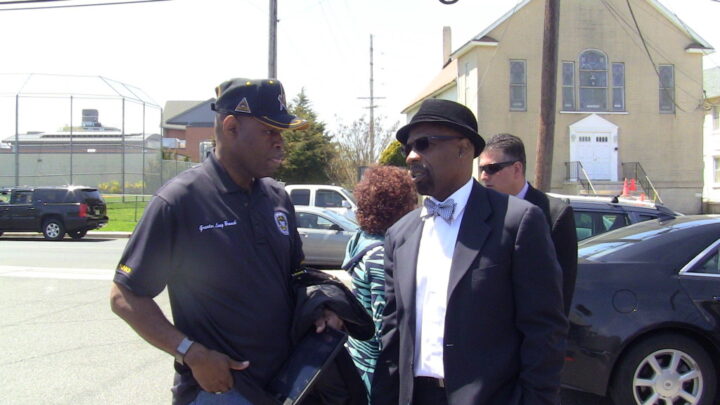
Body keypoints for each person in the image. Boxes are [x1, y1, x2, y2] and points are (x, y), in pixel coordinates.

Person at [109, 78, 343, 405]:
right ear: (231, 127)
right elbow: (125, 296)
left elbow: (295, 277)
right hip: (220, 391)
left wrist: (322, 308)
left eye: (282, 133)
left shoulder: (277, 198)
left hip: (287, 385)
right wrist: (191, 353)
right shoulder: (180, 201)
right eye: (269, 131)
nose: (280, 143)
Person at [370, 99, 567, 405]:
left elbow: (544, 331)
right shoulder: (400, 235)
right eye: (407, 148)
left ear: (463, 149)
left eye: (423, 144)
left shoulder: (517, 222)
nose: (411, 156)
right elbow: (393, 335)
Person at [479, 133, 578, 315]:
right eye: (481, 169)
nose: (484, 176)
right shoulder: (480, 212)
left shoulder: (554, 214)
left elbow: (561, 289)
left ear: (517, 169)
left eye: (492, 168)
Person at [341, 165, 417, 397]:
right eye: (412, 202)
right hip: (375, 368)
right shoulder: (378, 255)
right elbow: (382, 324)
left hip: (358, 355)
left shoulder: (361, 238)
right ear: (398, 208)